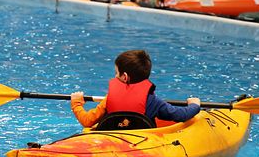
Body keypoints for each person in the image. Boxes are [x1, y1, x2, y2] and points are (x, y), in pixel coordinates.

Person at [70, 49, 201, 129]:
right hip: (142, 143)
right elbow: (182, 115)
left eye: (116, 72)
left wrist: (76, 103)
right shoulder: (153, 102)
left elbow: (87, 121)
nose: (115, 76)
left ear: (125, 76)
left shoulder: (109, 100)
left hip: (111, 141)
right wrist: (194, 104)